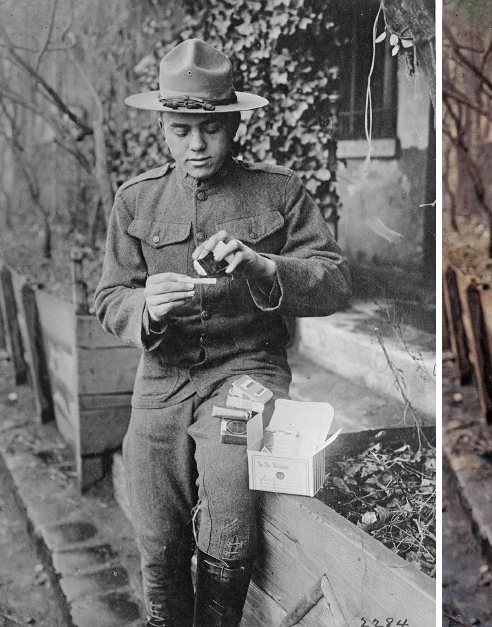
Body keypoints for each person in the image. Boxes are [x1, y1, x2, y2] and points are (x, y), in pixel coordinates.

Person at [95, 39, 351, 626]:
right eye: (180, 130)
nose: (195, 145)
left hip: (247, 368)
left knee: (231, 493)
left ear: (234, 124)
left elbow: (336, 284)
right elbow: (109, 297)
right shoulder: (135, 199)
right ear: (163, 125)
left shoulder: (278, 191)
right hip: (163, 374)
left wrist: (266, 267)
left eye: (209, 129)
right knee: (155, 519)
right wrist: (145, 306)